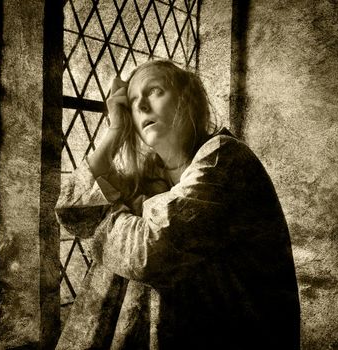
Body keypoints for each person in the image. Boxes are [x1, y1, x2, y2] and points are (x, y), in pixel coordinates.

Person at [55, 60, 301, 349]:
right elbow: (72, 210)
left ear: (187, 99)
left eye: (154, 91)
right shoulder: (152, 171)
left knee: (134, 255)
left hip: (239, 334)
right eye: (133, 102)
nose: (142, 107)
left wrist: (107, 212)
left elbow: (149, 252)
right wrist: (115, 130)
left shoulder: (224, 156)